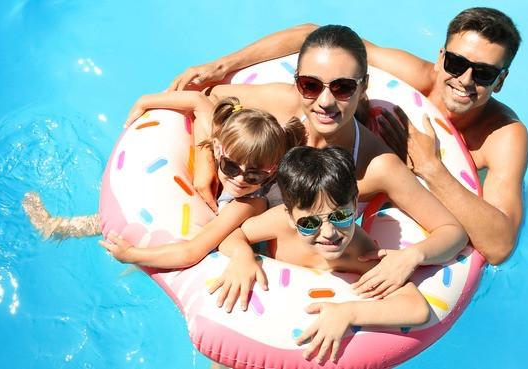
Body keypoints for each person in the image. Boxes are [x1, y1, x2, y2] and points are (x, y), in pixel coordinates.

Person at [170, 7, 527, 265]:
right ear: (441, 57)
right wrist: (223, 66)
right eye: (455, 64)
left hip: (376, 189)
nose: (464, 80)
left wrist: (432, 167)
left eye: (482, 73)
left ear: (502, 79)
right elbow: (316, 36)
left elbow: (498, 247)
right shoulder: (408, 78)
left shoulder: (502, 135)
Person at [180, 25, 468, 301]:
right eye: (310, 85)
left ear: (363, 86)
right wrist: (206, 169)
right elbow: (212, 98)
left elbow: (452, 232)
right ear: (298, 83)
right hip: (238, 243)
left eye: (343, 88)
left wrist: (411, 257)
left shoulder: (376, 164)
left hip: (299, 269)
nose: (325, 101)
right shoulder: (283, 106)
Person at [24, 92, 305, 270]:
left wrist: (132, 255)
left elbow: (192, 252)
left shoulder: (249, 202)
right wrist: (144, 102)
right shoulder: (223, 140)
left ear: (272, 170)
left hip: (246, 233)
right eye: (230, 166)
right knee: (139, 209)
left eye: (254, 174)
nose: (241, 178)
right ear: (219, 149)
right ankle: (57, 227)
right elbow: (199, 102)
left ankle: (58, 228)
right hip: (206, 190)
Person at [215, 145, 430, 365]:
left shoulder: (359, 252)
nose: (329, 233)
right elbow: (232, 235)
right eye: (309, 223)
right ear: (290, 216)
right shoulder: (281, 223)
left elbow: (416, 308)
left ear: (355, 206)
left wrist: (349, 313)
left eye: (341, 216)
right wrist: (242, 256)